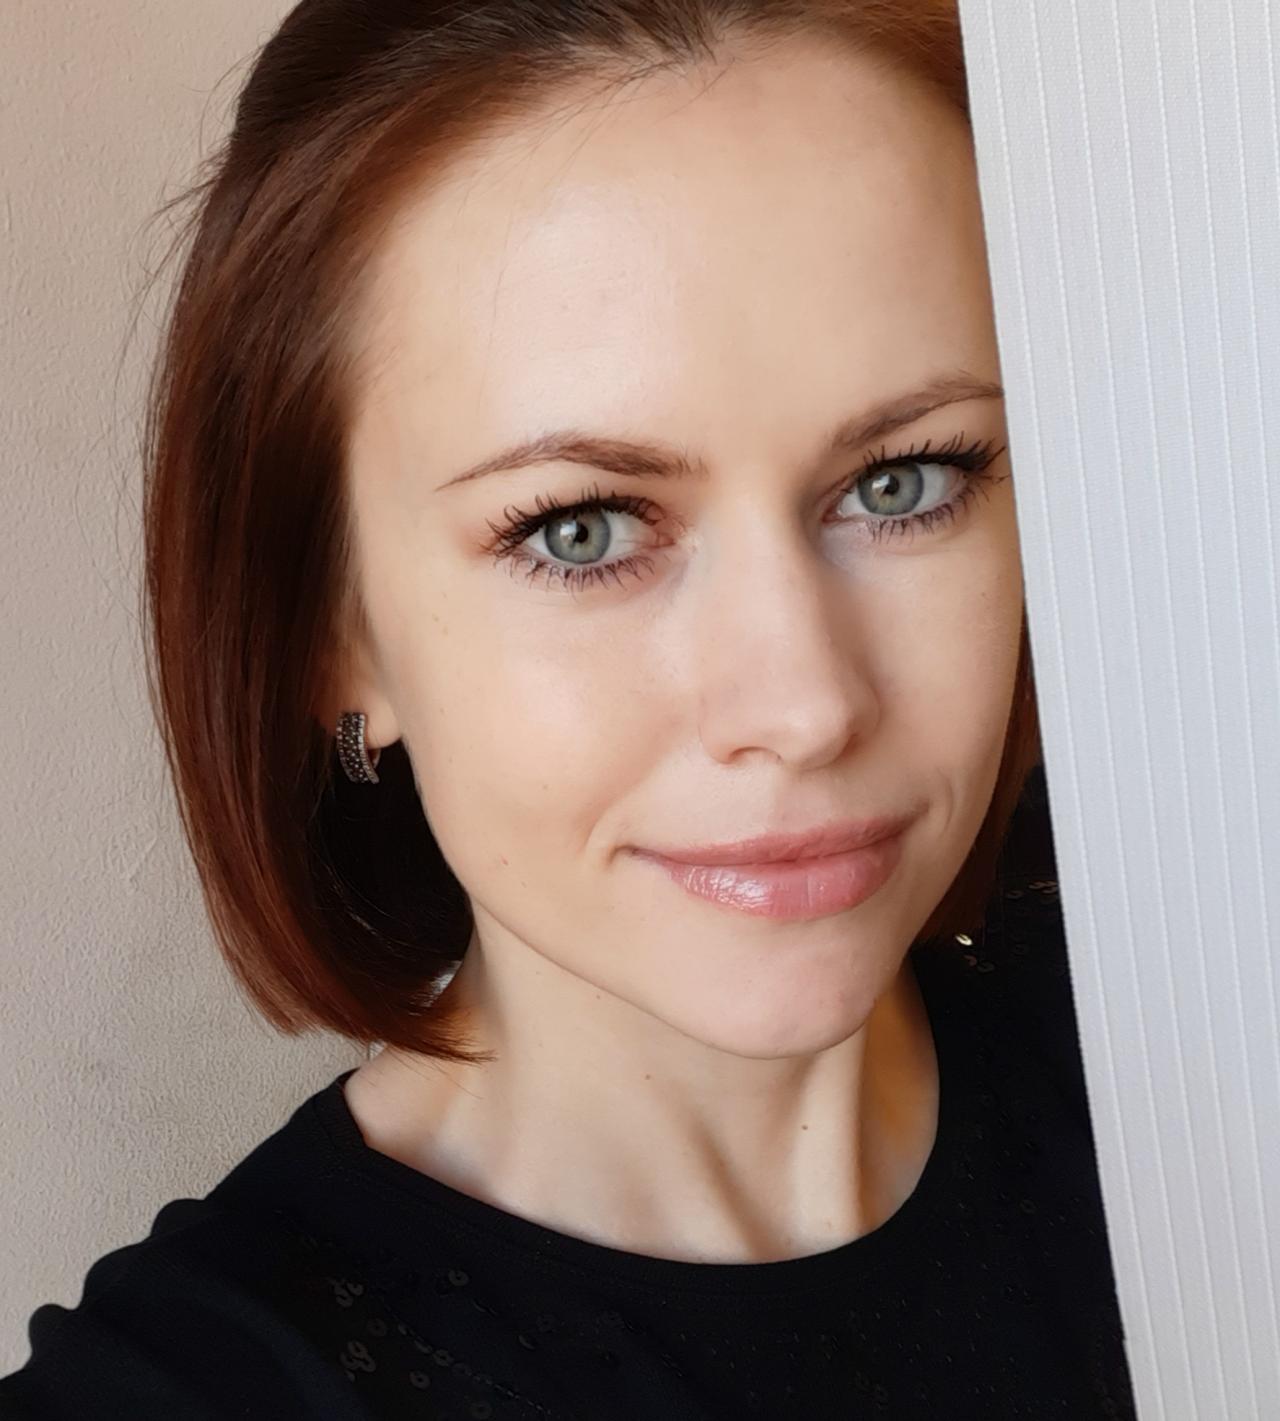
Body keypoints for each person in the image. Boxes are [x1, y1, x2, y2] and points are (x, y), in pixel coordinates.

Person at [0, 1, 1137, 1416]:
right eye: (583, 530)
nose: (804, 707)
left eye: (903, 481)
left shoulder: (1193, 1027)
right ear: (329, 631)